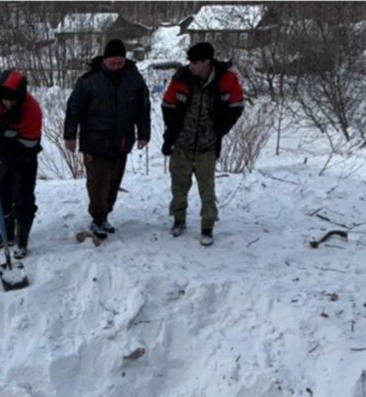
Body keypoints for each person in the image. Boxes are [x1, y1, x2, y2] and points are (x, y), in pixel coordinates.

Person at [63, 38, 151, 240]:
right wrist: (70, 135)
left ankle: (104, 216)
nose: (116, 66)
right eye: (112, 62)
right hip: (95, 142)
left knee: (113, 182)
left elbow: (143, 107)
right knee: (98, 183)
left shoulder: (133, 79)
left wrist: (144, 134)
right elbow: (74, 108)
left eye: (120, 62)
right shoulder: (89, 80)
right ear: (104, 60)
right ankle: (97, 217)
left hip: (121, 141)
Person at [161, 41, 245, 246]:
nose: (191, 66)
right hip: (182, 143)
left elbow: (236, 106)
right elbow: (167, 105)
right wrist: (172, 134)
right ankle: (178, 220)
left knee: (207, 189)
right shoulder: (181, 78)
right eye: (190, 62)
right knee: (179, 186)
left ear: (207, 62)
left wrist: (218, 132)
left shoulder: (227, 79)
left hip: (207, 146)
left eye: (196, 63)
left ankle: (207, 226)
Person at [0, 69, 42, 259]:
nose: (8, 103)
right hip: (1, 151)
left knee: (23, 198)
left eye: (13, 100)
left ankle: (22, 241)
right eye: (5, 99)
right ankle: (7, 235)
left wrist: (2, 167)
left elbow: (28, 147)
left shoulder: (32, 111)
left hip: (25, 156)